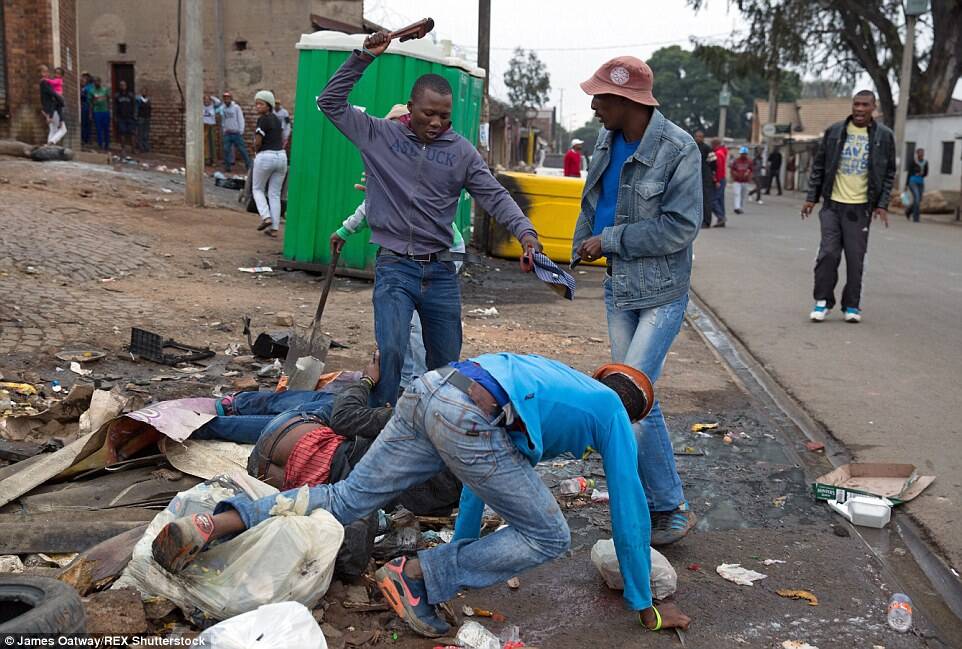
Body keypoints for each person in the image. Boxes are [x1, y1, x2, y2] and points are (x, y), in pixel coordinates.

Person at [151, 355, 691, 637]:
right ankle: (414, 579)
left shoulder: (558, 383)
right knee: (552, 535)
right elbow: (629, 511)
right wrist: (645, 605)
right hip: (469, 415)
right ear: (636, 409)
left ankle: (217, 523)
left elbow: (487, 477)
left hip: (432, 390)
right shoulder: (615, 415)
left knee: (345, 497)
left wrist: (457, 544)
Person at [317, 29, 541, 408]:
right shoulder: (378, 135)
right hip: (395, 269)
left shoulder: (462, 153)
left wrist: (527, 234)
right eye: (428, 113)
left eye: (444, 115)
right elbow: (330, 102)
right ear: (410, 107)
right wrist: (364, 56)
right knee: (391, 353)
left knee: (446, 365)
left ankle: (439, 436)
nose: (437, 122)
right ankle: (379, 430)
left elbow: (494, 194)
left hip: (440, 273)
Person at [572, 55, 700, 546]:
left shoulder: (677, 149)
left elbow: (680, 228)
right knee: (637, 398)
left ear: (627, 102)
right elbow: (594, 202)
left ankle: (668, 506)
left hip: (662, 293)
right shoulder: (606, 140)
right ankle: (661, 504)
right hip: (619, 287)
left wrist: (610, 241)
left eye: (600, 97)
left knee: (630, 398)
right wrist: (573, 257)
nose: (594, 104)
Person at [330, 104, 466, 391]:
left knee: (416, 324)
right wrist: (345, 229)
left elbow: (374, 205)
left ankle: (416, 384)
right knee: (401, 324)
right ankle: (406, 382)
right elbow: (372, 205)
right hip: (421, 253)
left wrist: (345, 229)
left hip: (442, 253)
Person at [801, 90, 895, 324]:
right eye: (856, 104)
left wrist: (882, 204)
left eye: (865, 105)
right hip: (833, 205)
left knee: (855, 259)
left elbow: (889, 172)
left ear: (874, 108)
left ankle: (851, 305)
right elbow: (819, 166)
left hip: (860, 209)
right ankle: (822, 301)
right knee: (828, 254)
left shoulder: (884, 136)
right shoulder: (835, 132)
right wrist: (811, 198)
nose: (860, 109)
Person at [251, 90, 287, 238]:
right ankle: (274, 227)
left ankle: (266, 217)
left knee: (257, 189)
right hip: (281, 157)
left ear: (269, 105)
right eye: (256, 104)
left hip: (266, 156)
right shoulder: (277, 120)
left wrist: (255, 150)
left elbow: (258, 141)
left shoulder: (263, 120)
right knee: (274, 193)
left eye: (261, 104)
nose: (258, 107)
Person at [221, 91, 251, 173]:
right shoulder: (223, 108)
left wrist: (241, 130)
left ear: (231, 99)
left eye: (228, 98)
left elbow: (241, 118)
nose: (226, 100)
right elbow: (224, 119)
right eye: (225, 98)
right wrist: (224, 128)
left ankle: (249, 166)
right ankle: (227, 167)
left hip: (236, 133)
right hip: (227, 133)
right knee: (226, 150)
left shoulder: (236, 107)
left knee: (242, 150)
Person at [38, 65, 66, 146]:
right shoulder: (44, 83)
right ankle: (51, 143)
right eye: (44, 72)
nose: (47, 73)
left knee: (53, 130)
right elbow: (54, 95)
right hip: (52, 110)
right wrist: (62, 100)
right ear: (40, 73)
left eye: (47, 71)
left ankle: (48, 148)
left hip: (49, 109)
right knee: (63, 130)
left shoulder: (45, 83)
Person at [694, 130, 716, 229]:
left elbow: (714, 163)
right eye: (697, 136)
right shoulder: (692, 147)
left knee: (706, 200)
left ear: (703, 138)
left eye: (700, 136)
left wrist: (711, 174)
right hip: (695, 177)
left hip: (706, 177)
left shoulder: (707, 148)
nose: (698, 138)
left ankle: (707, 222)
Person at [114, 80, 136, 156]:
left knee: (132, 133)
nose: (122, 86)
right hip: (121, 117)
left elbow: (134, 105)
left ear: (126, 86)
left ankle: (133, 149)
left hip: (130, 117)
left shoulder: (130, 95)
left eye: (124, 85)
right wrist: (115, 116)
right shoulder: (117, 95)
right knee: (122, 133)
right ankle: (123, 149)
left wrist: (134, 115)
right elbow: (115, 107)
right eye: (121, 85)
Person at [906, 148, 927, 223]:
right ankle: (916, 218)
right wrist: (907, 184)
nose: (921, 154)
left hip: (920, 182)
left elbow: (926, 173)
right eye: (919, 153)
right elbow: (909, 173)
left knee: (919, 200)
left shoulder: (925, 162)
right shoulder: (913, 162)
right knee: (917, 198)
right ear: (917, 154)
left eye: (922, 153)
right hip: (913, 181)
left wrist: (922, 174)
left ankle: (908, 211)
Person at [730, 146, 753, 214]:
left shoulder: (749, 161)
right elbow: (732, 169)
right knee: (737, 194)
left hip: (745, 181)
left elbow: (751, 169)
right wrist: (734, 174)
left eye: (745, 154)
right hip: (737, 180)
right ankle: (737, 207)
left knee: (743, 195)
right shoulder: (736, 161)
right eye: (742, 153)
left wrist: (748, 175)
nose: (743, 155)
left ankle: (741, 207)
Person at [710, 138, 727, 226]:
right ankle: (721, 218)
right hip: (722, 178)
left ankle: (721, 217)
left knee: (713, 200)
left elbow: (718, 168)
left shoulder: (718, 154)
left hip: (719, 179)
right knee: (720, 200)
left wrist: (716, 180)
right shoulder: (723, 152)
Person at [90, 77, 110, 151]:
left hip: (105, 111)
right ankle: (100, 144)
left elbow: (108, 100)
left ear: (100, 82)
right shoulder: (92, 91)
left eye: (98, 81)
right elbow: (91, 103)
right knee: (99, 129)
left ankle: (107, 144)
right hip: (97, 111)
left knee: (106, 128)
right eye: (95, 82)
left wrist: (108, 110)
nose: (96, 83)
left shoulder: (105, 90)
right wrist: (90, 113)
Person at [202, 94, 219, 166]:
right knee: (205, 143)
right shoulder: (201, 107)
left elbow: (218, 102)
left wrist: (212, 97)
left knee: (212, 143)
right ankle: (206, 159)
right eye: (205, 100)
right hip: (204, 125)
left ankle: (214, 160)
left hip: (211, 126)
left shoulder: (213, 106)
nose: (206, 101)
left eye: (208, 100)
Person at [135, 88, 151, 153]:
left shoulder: (148, 100)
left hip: (147, 117)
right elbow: (136, 108)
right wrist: (136, 116)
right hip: (141, 117)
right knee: (140, 133)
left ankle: (146, 146)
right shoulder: (138, 99)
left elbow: (150, 109)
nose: (144, 93)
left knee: (146, 133)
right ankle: (140, 146)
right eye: (143, 91)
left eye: (146, 91)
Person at [80, 72, 94, 147]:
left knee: (88, 123)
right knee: (83, 123)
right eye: (83, 77)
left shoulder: (90, 87)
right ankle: (84, 139)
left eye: (85, 77)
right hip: (83, 106)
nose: (84, 79)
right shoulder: (82, 87)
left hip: (88, 105)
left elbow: (90, 98)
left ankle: (87, 139)